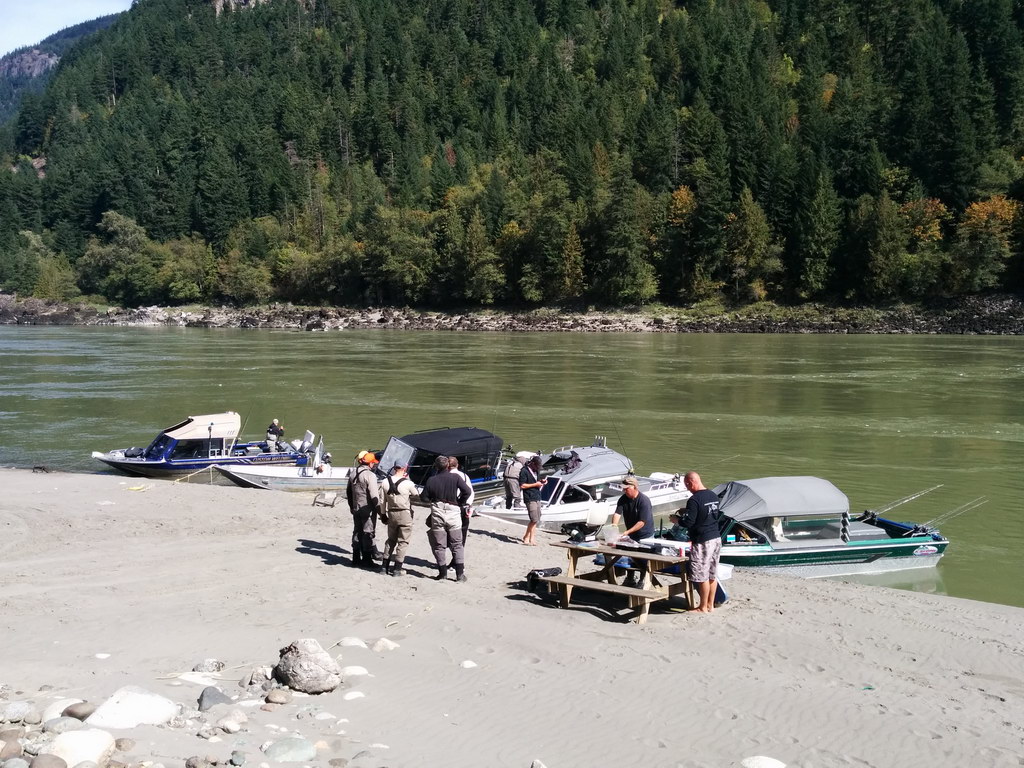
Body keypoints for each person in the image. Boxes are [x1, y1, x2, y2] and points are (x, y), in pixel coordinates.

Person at [420, 455, 471, 582]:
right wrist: (460, 502)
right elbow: (467, 491)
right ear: (448, 465)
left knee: (439, 545)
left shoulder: (431, 480)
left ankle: (442, 573)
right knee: (457, 544)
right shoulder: (455, 477)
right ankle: (460, 575)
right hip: (453, 512)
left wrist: (433, 500)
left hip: (438, 512)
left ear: (436, 467)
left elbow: (423, 498)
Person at [679, 471, 722, 614]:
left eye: (687, 485)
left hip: (703, 539)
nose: (687, 488)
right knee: (712, 574)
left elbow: (689, 522)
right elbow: (710, 514)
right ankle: (710, 605)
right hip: (716, 537)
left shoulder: (694, 499)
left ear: (690, 483)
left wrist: (678, 520)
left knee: (702, 574)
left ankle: (702, 607)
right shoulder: (713, 495)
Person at [610, 476, 655, 587]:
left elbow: (642, 522)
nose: (624, 491)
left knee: (643, 559)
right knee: (631, 556)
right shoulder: (623, 499)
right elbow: (617, 514)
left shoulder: (643, 501)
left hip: (645, 535)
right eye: (623, 489)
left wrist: (627, 532)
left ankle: (643, 580)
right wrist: (614, 527)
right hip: (631, 535)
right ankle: (630, 578)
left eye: (626, 489)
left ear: (634, 487)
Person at [346, 450, 383, 569]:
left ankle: (356, 559)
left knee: (357, 531)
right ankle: (367, 560)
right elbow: (374, 495)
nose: (374, 465)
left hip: (356, 508)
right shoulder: (370, 475)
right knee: (368, 533)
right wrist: (380, 511)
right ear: (370, 463)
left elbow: (348, 492)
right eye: (373, 463)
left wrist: (351, 506)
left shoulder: (353, 473)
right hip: (367, 509)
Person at [380, 463, 417, 577]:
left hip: (391, 512)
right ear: (404, 468)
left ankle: (384, 567)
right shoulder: (408, 483)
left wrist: (383, 514)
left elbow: (382, 501)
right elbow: (416, 494)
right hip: (404, 512)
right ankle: (397, 569)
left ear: (394, 468)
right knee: (403, 541)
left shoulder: (385, 482)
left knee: (391, 540)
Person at [518, 455, 546, 546]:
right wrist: (535, 484)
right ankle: (528, 537)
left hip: (537, 496)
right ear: (532, 463)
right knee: (533, 519)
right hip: (529, 497)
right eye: (537, 466)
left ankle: (530, 538)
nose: (538, 468)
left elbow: (536, 481)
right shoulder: (524, 471)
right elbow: (522, 485)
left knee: (537, 518)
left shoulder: (536, 470)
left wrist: (542, 481)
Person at [448, 456, 475, 549]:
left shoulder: (444, 477)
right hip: (463, 506)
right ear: (457, 465)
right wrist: (468, 505)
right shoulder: (464, 476)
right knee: (462, 530)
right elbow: (471, 493)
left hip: (450, 506)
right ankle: (459, 550)